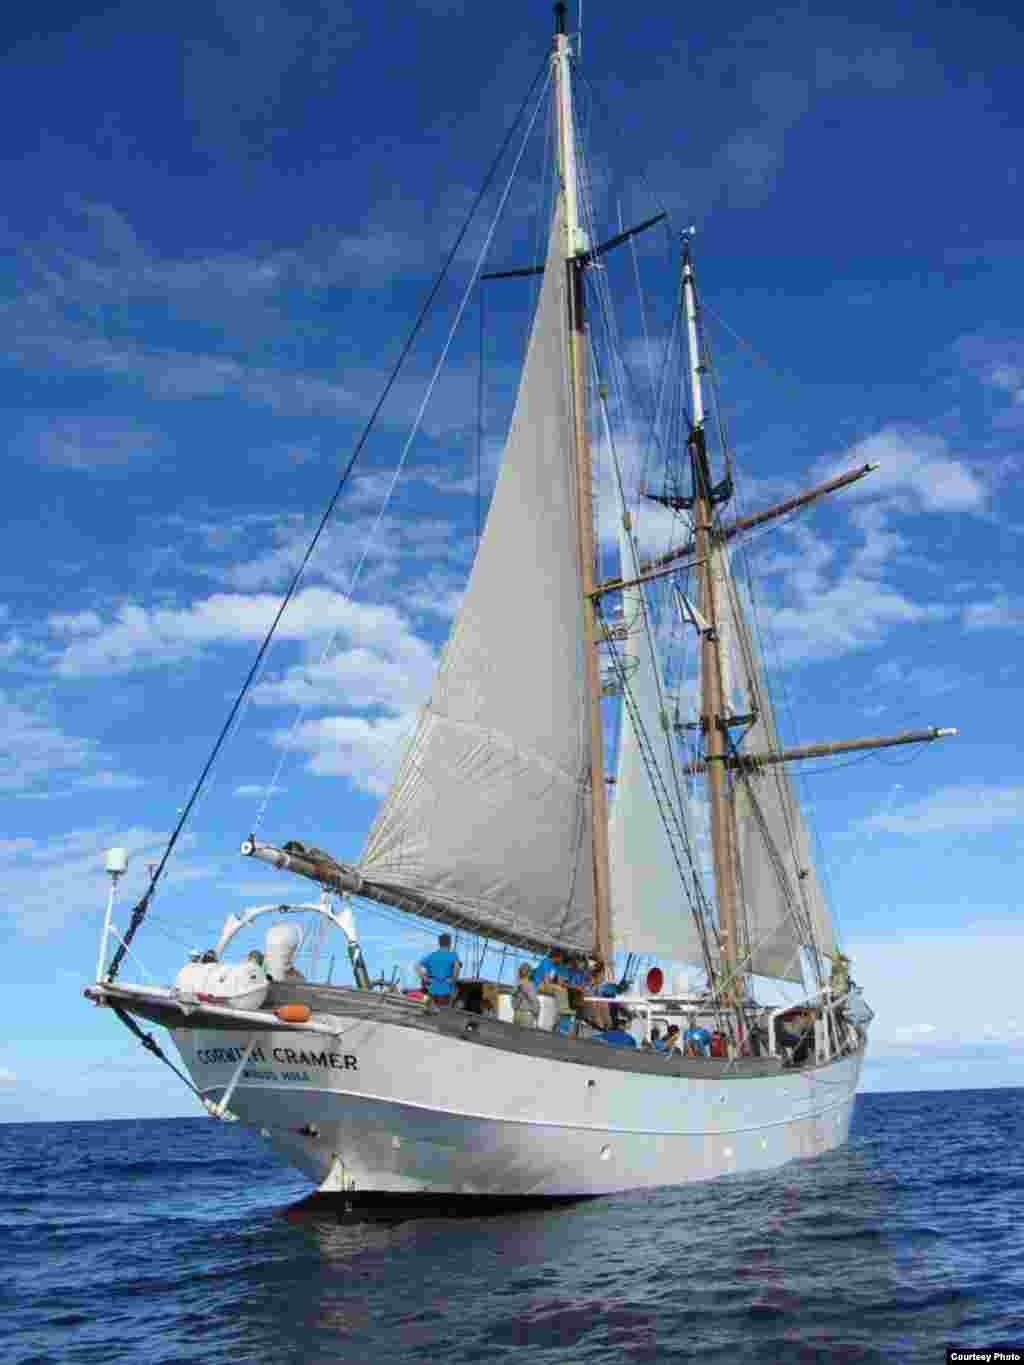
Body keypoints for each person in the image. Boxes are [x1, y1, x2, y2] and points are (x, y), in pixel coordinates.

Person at [417, 933, 461, 1005]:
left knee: (432, 1012)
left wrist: (425, 978)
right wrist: (453, 980)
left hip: (432, 989)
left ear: (439, 943)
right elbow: (457, 968)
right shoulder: (453, 955)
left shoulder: (432, 955)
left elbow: (417, 966)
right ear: (449, 943)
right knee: (443, 1012)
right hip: (446, 990)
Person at [512, 963, 540, 1028]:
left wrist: (515, 1007)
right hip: (527, 1014)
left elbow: (513, 999)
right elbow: (534, 1000)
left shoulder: (517, 984)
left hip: (517, 1013)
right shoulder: (531, 985)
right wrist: (536, 1013)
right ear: (529, 973)